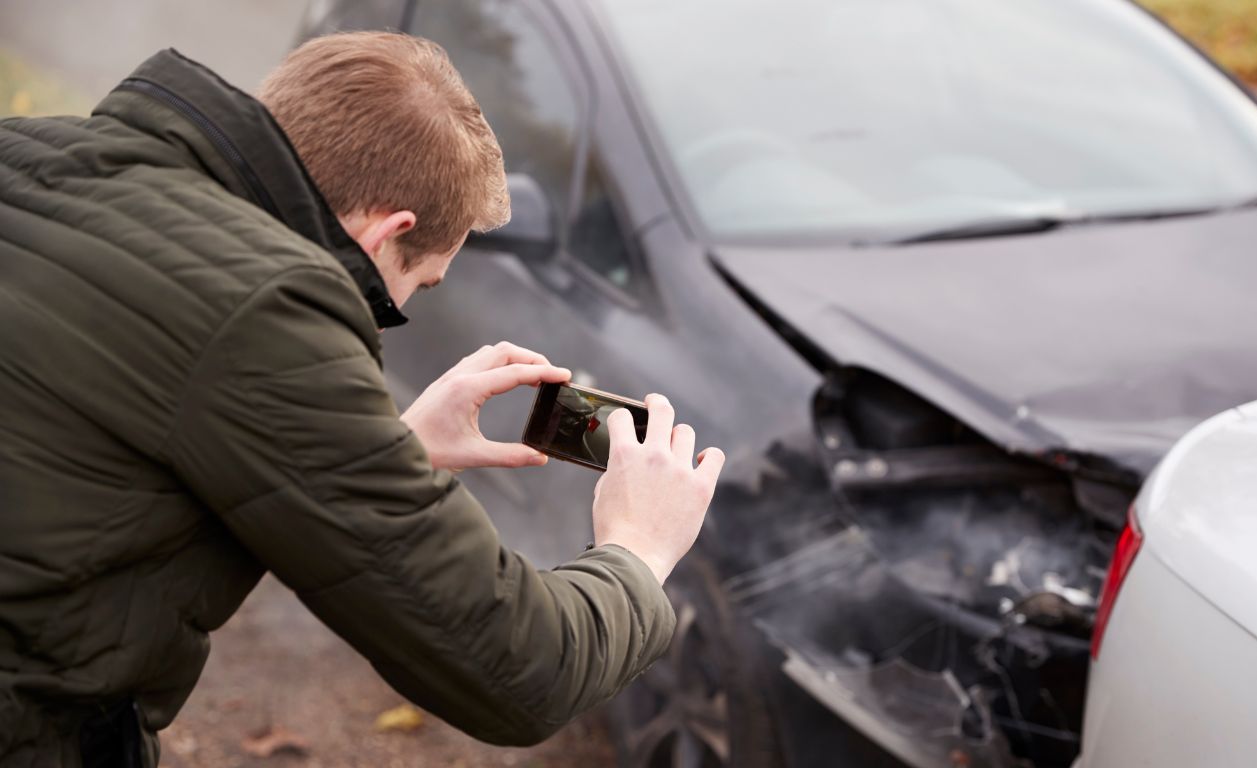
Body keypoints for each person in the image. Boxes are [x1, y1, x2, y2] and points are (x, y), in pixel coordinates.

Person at [0, 31, 724, 766]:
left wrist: (388, 447)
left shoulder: (26, 152)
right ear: (387, 234)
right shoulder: (266, 315)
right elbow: (521, 670)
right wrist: (638, 547)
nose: (396, 307)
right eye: (415, 288)